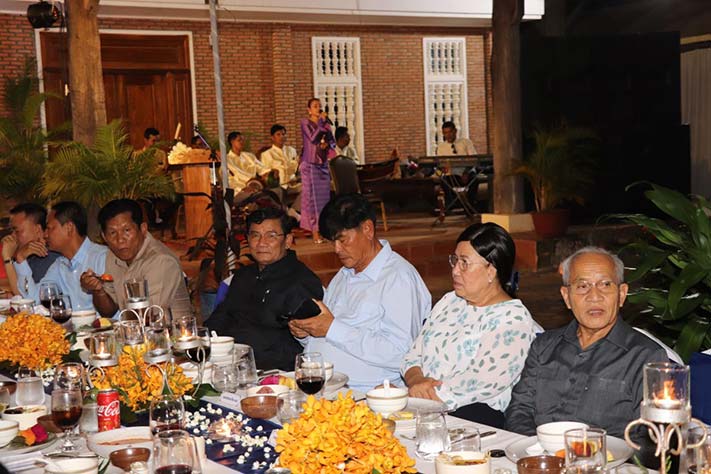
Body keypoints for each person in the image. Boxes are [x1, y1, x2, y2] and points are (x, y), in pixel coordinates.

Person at [505, 246, 668, 438]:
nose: (594, 296)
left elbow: (651, 436)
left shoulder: (646, 357)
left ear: (622, 294)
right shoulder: (544, 346)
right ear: (566, 297)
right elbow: (519, 409)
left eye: (605, 284)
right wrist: (537, 447)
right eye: (582, 286)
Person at [401, 223, 539, 427]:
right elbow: (413, 355)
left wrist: (417, 398)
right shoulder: (450, 301)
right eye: (455, 260)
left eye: (464, 263)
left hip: (474, 417)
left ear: (491, 270)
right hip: (425, 403)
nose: (455, 270)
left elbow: (479, 382)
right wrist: (416, 382)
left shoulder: (513, 320)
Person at [289, 194, 431, 391]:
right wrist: (308, 332)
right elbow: (330, 334)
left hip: (367, 392)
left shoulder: (397, 277)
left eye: (343, 240)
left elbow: (401, 354)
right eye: (332, 242)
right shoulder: (344, 275)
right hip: (323, 386)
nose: (337, 249)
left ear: (367, 229)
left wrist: (331, 328)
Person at [206, 207, 323, 370]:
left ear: (288, 241)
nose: (261, 243)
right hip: (227, 364)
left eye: (271, 235)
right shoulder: (243, 276)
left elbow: (307, 343)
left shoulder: (301, 281)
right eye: (255, 235)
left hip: (275, 372)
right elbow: (220, 317)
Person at [80, 199, 192, 317]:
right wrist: (98, 290)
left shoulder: (161, 260)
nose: (120, 239)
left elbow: (148, 315)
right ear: (104, 237)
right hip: (135, 327)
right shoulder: (113, 255)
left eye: (127, 230)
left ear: (143, 229)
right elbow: (108, 311)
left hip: (169, 328)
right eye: (112, 233)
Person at [14, 201, 107, 311]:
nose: (45, 234)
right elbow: (34, 299)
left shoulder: (102, 257)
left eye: (49, 228)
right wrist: (20, 258)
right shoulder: (60, 265)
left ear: (69, 228)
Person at [2, 203, 60, 296]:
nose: (13, 235)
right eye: (12, 231)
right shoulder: (30, 256)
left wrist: (7, 258)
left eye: (17, 231)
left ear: (37, 229)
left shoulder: (48, 257)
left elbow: (24, 295)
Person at [299, 98, 335, 243]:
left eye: (319, 106)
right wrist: (321, 123)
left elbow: (332, 141)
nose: (318, 108)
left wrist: (327, 145)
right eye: (315, 106)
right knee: (312, 200)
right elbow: (313, 138)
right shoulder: (305, 123)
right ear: (309, 110)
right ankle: (315, 232)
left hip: (322, 164)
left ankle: (324, 230)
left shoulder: (325, 124)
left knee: (324, 200)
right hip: (310, 164)